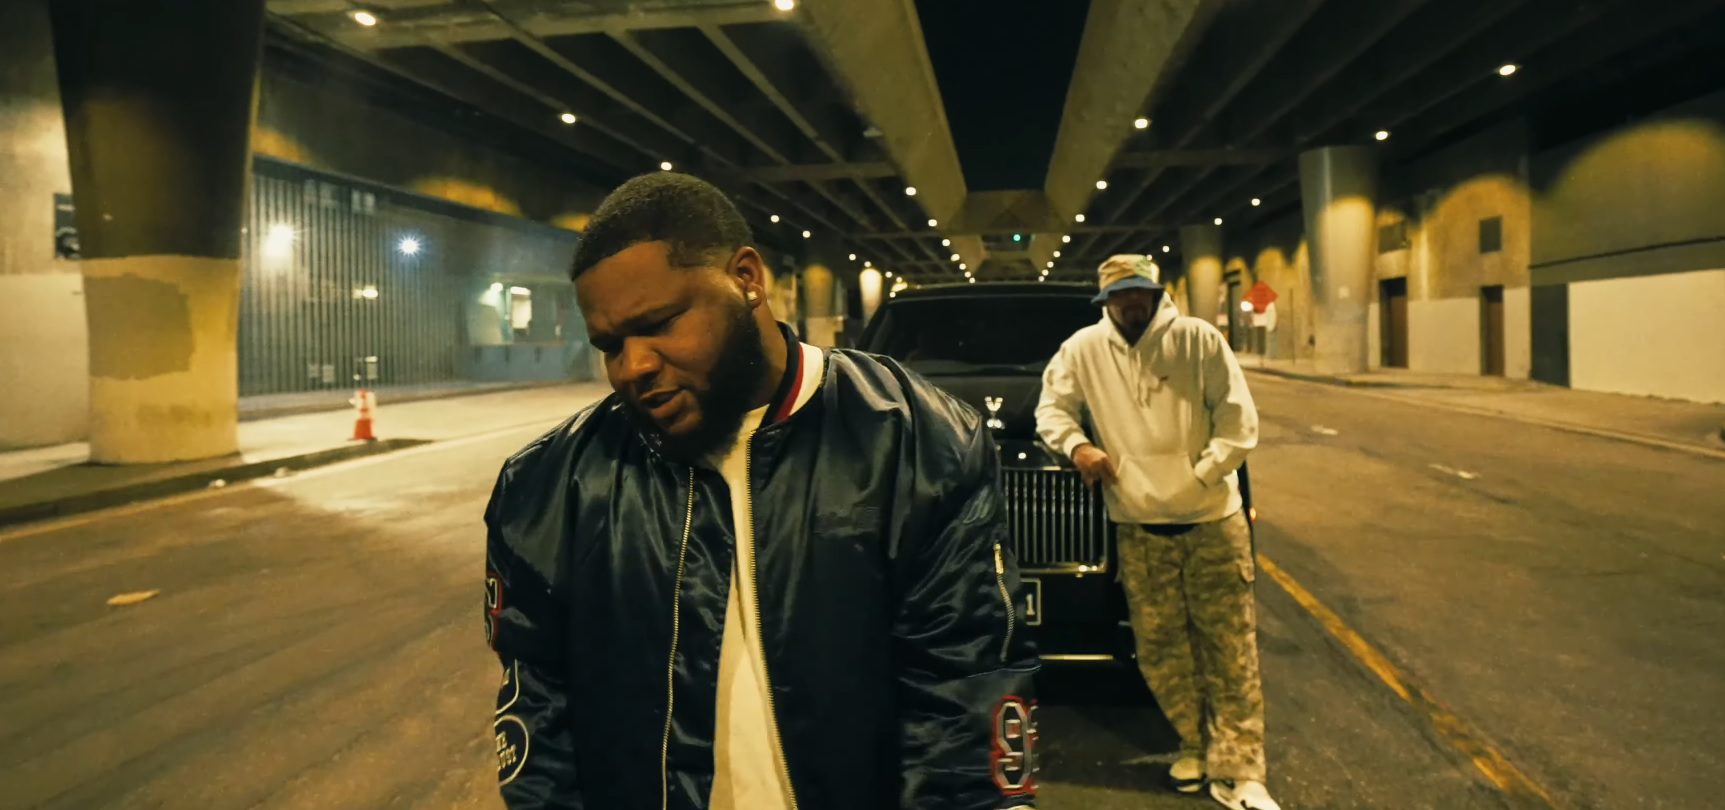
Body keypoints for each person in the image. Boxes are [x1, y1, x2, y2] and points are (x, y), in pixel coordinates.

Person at [482, 172, 1040, 810]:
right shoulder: (546, 485)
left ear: (747, 279)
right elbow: (538, 715)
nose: (634, 366)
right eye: (611, 345)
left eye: (659, 323)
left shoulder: (916, 440)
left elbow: (965, 691)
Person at [1034, 255, 1276, 810]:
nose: (1131, 303)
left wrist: (1201, 475)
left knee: (1230, 648)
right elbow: (1053, 410)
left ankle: (1241, 770)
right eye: (1120, 295)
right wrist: (1078, 447)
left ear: (1155, 293)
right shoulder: (1082, 349)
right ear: (1106, 301)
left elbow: (1238, 421)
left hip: (1212, 522)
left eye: (1139, 292)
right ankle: (1194, 746)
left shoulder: (1197, 340)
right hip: (1138, 527)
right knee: (1162, 649)